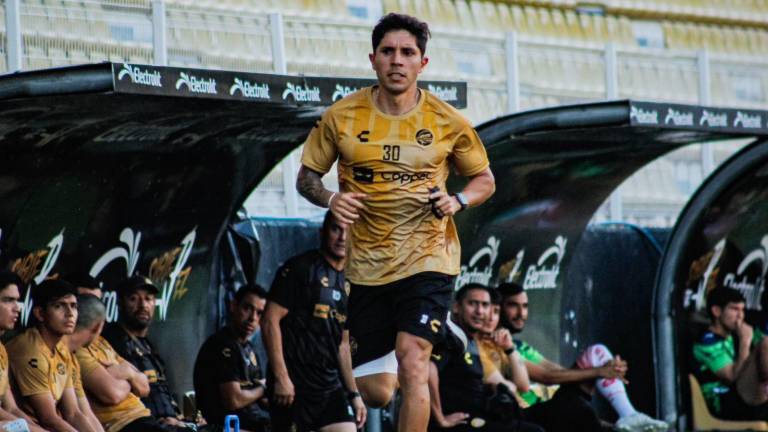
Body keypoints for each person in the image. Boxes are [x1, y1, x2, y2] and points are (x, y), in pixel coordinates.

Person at [296, 12, 495, 431]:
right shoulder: (341, 117)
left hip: (429, 258)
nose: (397, 60)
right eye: (388, 52)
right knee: (377, 391)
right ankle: (420, 342)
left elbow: (485, 180)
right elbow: (306, 179)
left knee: (413, 359)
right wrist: (331, 198)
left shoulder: (447, 121)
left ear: (423, 63)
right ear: (373, 60)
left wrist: (457, 200)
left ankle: (417, 344)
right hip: (368, 265)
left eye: (407, 52)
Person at [497, 282, 668, 432]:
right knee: (576, 407)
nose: (521, 313)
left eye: (525, 306)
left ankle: (629, 415)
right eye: (513, 306)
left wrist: (606, 369)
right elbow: (547, 377)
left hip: (548, 409)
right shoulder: (498, 345)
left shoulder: (519, 345)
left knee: (596, 354)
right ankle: (627, 417)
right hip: (527, 417)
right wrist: (599, 371)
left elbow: (557, 371)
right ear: (497, 308)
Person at [263, 212, 366, 432]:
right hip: (293, 384)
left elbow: (343, 345)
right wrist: (281, 377)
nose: (342, 237)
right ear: (322, 232)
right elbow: (269, 320)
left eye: (348, 231)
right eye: (336, 229)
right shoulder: (300, 268)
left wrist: (354, 394)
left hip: (329, 386)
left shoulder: (354, 279)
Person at [428, 283, 542, 432]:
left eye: (485, 305)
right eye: (472, 303)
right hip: (463, 422)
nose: (479, 311)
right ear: (456, 307)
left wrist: (509, 350)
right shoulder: (451, 337)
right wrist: (440, 418)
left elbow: (522, 385)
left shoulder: (471, 340)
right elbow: (429, 369)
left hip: (484, 416)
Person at [6, 279, 98, 432]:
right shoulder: (29, 350)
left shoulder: (61, 348)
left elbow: (73, 413)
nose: (70, 313)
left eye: (73, 306)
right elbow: (48, 419)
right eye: (59, 306)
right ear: (40, 313)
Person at [101, 275, 189, 428]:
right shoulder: (111, 341)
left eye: (148, 299)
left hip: (168, 424)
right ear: (120, 303)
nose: (143, 305)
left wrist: (182, 420)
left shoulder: (149, 345)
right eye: (134, 299)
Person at [193, 284, 270, 431]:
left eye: (259, 313)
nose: (253, 318)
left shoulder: (249, 348)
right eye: (247, 308)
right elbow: (233, 400)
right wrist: (263, 388)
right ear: (234, 306)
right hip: (226, 426)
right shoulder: (221, 345)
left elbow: (261, 397)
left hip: (256, 422)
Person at [693, 286, 768, 420]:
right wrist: (745, 341)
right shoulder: (706, 342)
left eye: (742, 310)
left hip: (744, 397)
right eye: (734, 309)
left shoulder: (734, 335)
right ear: (716, 311)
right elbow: (732, 377)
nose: (740, 316)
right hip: (721, 402)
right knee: (765, 344)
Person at [0, 271, 47, 432]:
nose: (17, 308)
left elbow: (11, 408)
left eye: (17, 300)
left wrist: (38, 430)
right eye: (8, 300)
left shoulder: (1, 349)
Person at [476, 289, 530, 398]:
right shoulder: (472, 345)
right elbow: (507, 389)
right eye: (487, 310)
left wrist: (510, 349)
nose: (491, 318)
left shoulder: (497, 342)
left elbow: (524, 386)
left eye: (496, 312)